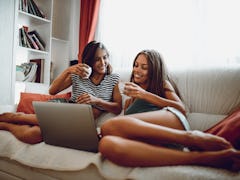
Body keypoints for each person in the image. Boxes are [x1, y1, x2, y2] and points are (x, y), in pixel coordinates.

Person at [98, 49, 240, 171]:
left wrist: (144, 94)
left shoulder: (161, 85)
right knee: (106, 144)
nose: (137, 70)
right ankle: (201, 158)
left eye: (144, 67)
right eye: (135, 65)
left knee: (109, 126)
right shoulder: (129, 101)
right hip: (152, 141)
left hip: (172, 123)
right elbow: (127, 127)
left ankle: (192, 138)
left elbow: (181, 108)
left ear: (154, 71)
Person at [0, 41, 122, 144]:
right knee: (25, 119)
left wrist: (96, 100)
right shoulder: (79, 75)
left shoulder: (113, 79)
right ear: (89, 61)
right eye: (97, 59)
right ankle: (13, 116)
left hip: (78, 122)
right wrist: (69, 70)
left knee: (35, 135)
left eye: (104, 57)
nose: (102, 62)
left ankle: (5, 125)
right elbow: (52, 91)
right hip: (64, 109)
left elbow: (117, 108)